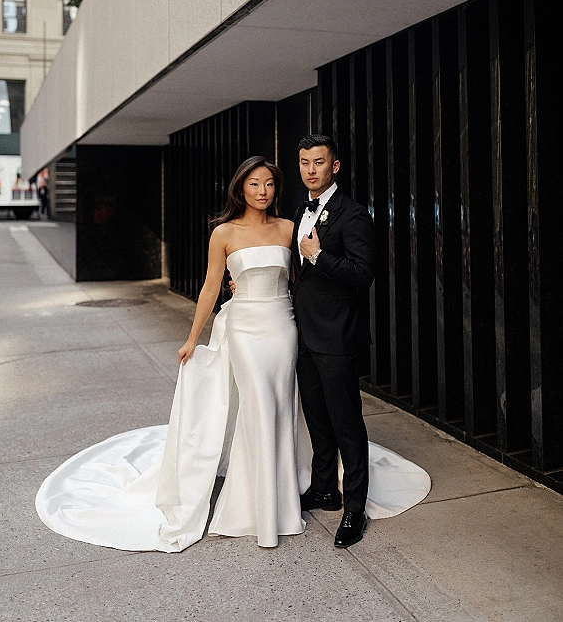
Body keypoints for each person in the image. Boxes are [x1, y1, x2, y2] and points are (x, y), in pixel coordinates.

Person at [35, 156, 430, 554]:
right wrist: (193, 337)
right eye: (254, 184)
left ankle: (295, 491)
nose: (262, 192)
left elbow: (306, 280)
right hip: (244, 329)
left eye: (269, 185)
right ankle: (260, 505)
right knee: (258, 403)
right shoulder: (223, 233)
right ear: (240, 188)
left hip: (285, 327)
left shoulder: (291, 227)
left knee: (284, 407)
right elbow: (210, 288)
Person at [293, 134, 376, 548]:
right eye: (305, 162)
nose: (310, 169)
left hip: (338, 337)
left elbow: (363, 274)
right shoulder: (300, 210)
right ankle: (325, 487)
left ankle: (355, 510)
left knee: (346, 424)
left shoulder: (354, 215)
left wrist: (320, 257)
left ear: (335, 166)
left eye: (318, 162)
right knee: (318, 420)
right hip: (304, 337)